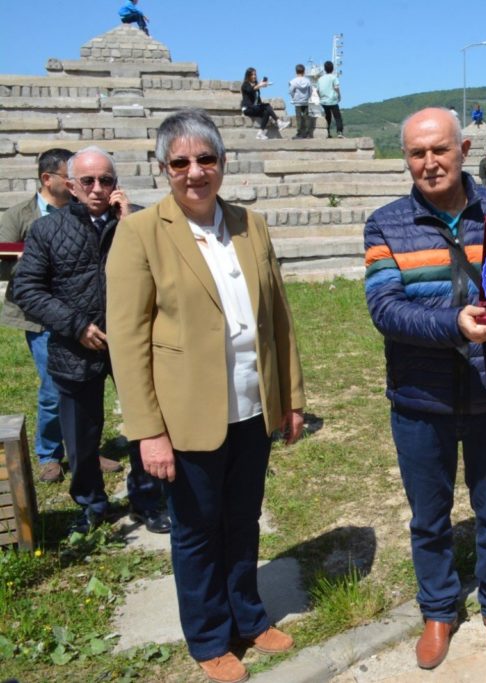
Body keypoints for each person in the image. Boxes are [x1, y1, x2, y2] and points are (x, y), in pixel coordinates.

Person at [106, 109, 306, 683]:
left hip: (251, 405)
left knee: (243, 518)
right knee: (196, 531)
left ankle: (249, 616)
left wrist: (290, 396)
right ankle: (210, 636)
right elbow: (127, 340)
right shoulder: (141, 233)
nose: (195, 172)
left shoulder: (250, 224)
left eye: (206, 159)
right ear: (164, 169)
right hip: (185, 414)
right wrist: (148, 430)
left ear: (222, 162)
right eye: (181, 163)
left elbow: (278, 317)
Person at [363, 107, 486, 670]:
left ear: (464, 150)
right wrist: (453, 323)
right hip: (421, 398)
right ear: (406, 158)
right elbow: (385, 308)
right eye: (417, 153)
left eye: (440, 149)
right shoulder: (385, 224)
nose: (430, 162)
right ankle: (438, 609)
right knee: (429, 516)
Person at [11, 146, 169, 535]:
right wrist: (75, 325)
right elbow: (26, 288)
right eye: (88, 180)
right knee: (80, 437)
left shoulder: (139, 222)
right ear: (71, 186)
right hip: (76, 347)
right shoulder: (47, 230)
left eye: (106, 180)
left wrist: (129, 223)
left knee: (145, 424)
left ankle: (148, 498)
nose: (98, 188)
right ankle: (91, 503)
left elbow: (165, 274)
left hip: (134, 345)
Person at [0, 148, 77, 483]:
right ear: (48, 179)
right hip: (39, 317)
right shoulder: (18, 216)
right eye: (70, 176)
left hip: (78, 313)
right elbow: (4, 265)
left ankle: (84, 451)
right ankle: (49, 454)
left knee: (83, 386)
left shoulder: (80, 211)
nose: (76, 183)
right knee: (53, 387)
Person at [241, 67, 289, 140]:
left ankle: (260, 133)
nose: (254, 76)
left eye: (255, 74)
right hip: (247, 109)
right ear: (248, 76)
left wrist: (260, 85)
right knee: (267, 106)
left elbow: (257, 98)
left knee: (266, 112)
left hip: (254, 107)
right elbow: (250, 90)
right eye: (252, 75)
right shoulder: (245, 84)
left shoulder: (256, 84)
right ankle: (279, 122)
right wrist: (260, 85)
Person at [318, 61, 343, 138]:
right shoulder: (334, 77)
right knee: (337, 117)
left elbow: (317, 90)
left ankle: (327, 133)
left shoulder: (320, 79)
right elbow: (336, 88)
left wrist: (320, 97)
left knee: (327, 117)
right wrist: (339, 96)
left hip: (324, 101)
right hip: (333, 100)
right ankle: (339, 132)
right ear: (332, 69)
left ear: (324, 69)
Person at [289, 64, 313, 140]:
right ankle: (308, 133)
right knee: (306, 117)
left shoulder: (293, 81)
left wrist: (293, 97)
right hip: (305, 101)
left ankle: (299, 133)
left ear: (296, 72)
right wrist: (308, 97)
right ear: (304, 71)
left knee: (298, 118)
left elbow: (291, 91)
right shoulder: (307, 81)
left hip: (297, 102)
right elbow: (310, 91)